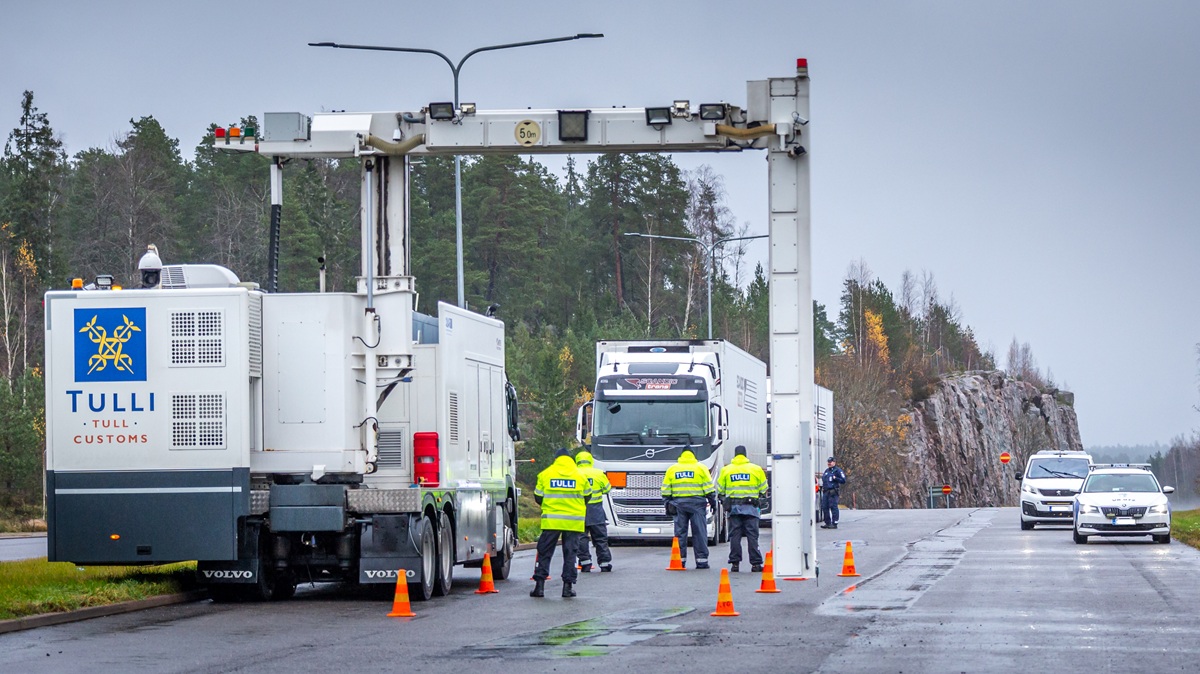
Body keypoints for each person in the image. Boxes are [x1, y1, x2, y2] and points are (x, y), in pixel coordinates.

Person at [531, 447, 591, 598]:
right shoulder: (580, 476)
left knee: (544, 553)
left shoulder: (545, 474)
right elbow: (587, 496)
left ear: (556, 459)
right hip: (573, 522)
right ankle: (567, 588)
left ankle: (539, 587)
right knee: (570, 554)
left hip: (551, 521)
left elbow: (538, 497)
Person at [661, 448, 717, 569]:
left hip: (678, 504)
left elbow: (665, 490)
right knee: (700, 533)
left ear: (681, 455)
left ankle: (680, 561)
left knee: (680, 534)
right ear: (693, 455)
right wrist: (713, 504)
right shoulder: (701, 468)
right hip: (697, 505)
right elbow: (709, 489)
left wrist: (667, 504)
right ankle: (701, 561)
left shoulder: (672, 469)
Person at [717, 445, 768, 572]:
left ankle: (735, 564)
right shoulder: (756, 469)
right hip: (751, 508)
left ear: (735, 455)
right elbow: (763, 489)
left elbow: (720, 490)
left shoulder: (726, 470)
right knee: (752, 536)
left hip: (734, 509)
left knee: (735, 536)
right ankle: (756, 564)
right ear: (746, 455)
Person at [574, 450, 613, 573]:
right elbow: (607, 489)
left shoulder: (574, 473)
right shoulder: (598, 473)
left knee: (581, 538)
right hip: (596, 511)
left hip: (579, 510)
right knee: (600, 538)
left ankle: (585, 563)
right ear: (591, 460)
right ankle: (604, 563)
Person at [820, 456, 847, 529]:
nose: (829, 463)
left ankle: (834, 523)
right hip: (826, 492)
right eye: (828, 462)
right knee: (824, 507)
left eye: (830, 462)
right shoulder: (826, 471)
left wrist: (836, 478)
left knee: (833, 507)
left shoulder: (838, 471)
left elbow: (843, 480)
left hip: (833, 492)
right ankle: (827, 522)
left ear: (834, 462)